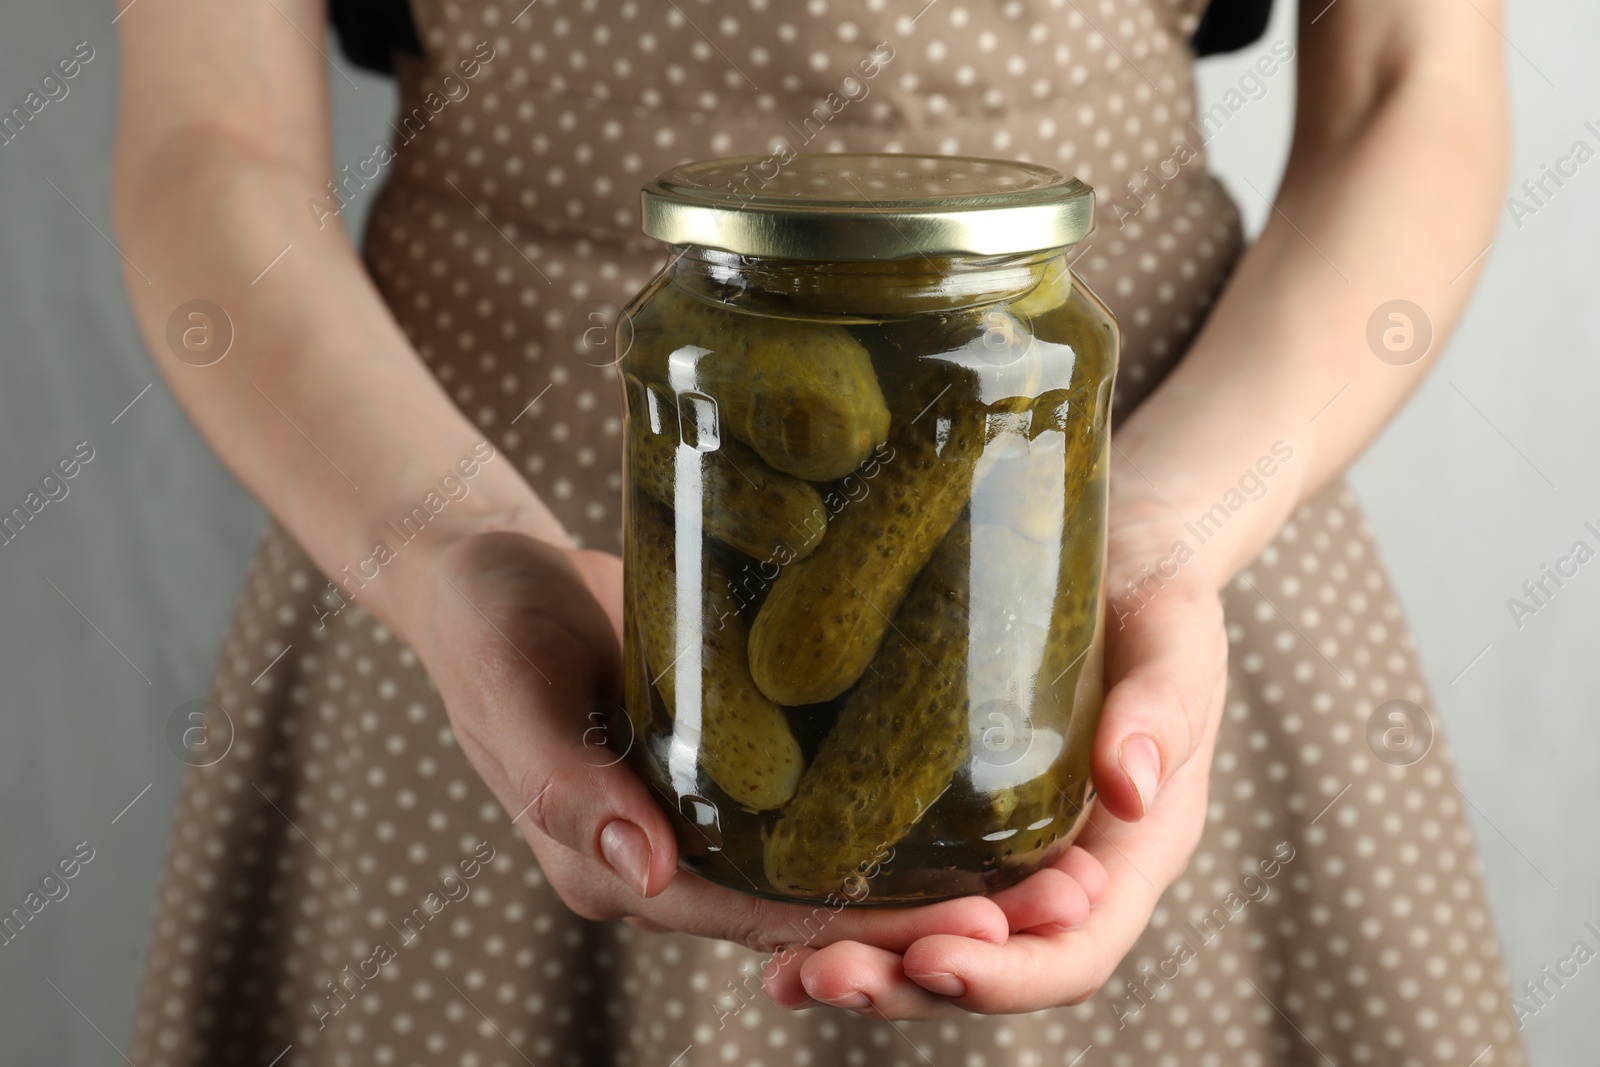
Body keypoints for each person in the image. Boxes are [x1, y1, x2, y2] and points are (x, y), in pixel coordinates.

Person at [114, 0, 1526, 1063]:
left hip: (1156, 504)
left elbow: (1410, 87)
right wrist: (452, 554)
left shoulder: (1098, 471)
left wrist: (1158, 533)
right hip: (461, 494)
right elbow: (208, 137)